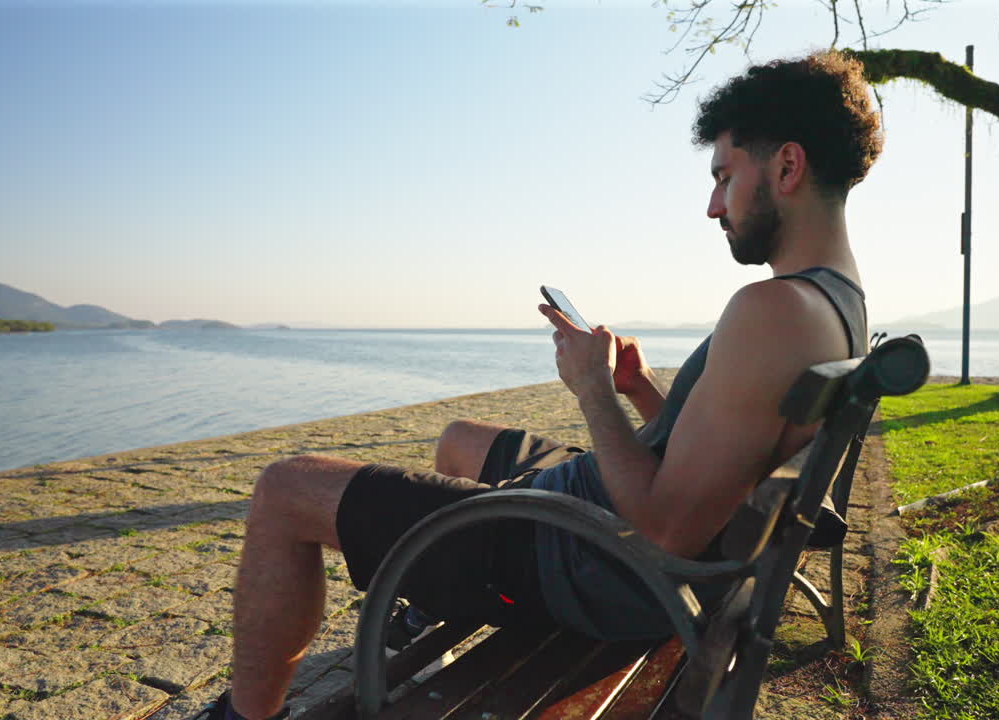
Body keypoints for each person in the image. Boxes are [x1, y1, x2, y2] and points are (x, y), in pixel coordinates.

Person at [200, 49, 883, 720]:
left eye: (725, 176)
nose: (713, 205)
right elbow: (718, 450)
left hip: (589, 560)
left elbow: (669, 529)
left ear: (787, 167)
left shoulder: (772, 310)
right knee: (462, 440)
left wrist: (590, 389)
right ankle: (436, 597)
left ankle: (246, 715)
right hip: (607, 540)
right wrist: (638, 387)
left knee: (285, 489)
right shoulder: (837, 306)